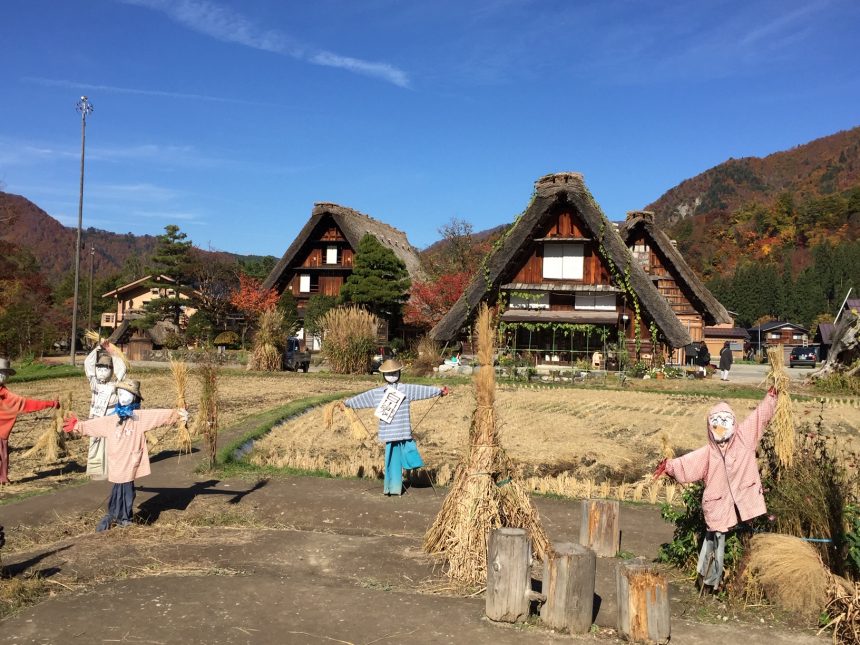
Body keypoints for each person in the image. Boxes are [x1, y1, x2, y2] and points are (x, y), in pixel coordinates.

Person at [654, 387, 778, 593]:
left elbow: (759, 417)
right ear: (710, 425)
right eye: (716, 422)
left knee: (748, 537)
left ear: (734, 422)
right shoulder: (708, 453)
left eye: (725, 421)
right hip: (718, 503)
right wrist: (669, 466)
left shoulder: (744, 438)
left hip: (744, 499)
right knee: (715, 543)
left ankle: (736, 581)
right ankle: (709, 582)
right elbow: (687, 464)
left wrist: (772, 397)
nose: (720, 426)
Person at [63, 380, 188, 531]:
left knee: (127, 490)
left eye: (127, 394)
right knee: (118, 489)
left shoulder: (139, 417)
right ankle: (116, 515)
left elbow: (158, 416)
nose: (123, 397)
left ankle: (124, 518)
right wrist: (78, 426)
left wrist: (177, 414)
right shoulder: (112, 419)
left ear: (134, 397)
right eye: (120, 394)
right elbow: (96, 425)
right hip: (116, 462)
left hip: (130, 461)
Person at [344, 360, 447, 496]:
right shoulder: (379, 393)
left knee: (410, 455)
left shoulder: (406, 389)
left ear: (399, 373)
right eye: (389, 373)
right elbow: (364, 398)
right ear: (384, 375)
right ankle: (392, 488)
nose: (392, 375)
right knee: (391, 461)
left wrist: (438, 391)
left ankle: (404, 477)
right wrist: (348, 403)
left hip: (403, 432)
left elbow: (422, 390)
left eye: (394, 373)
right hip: (390, 433)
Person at [0, 357, 59, 484]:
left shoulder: (7, 396)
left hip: (1, 433)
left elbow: (27, 404)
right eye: (1, 372)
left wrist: (50, 403)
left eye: (5, 373)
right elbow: (26, 404)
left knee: (3, 456)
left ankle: (2, 478)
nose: (2, 376)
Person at [83, 341, 127, 479]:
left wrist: (113, 352)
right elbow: (88, 366)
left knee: (111, 443)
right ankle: (96, 470)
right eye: (100, 369)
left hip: (111, 417)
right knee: (95, 442)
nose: (102, 372)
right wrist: (96, 350)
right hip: (96, 417)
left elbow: (122, 371)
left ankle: (111, 469)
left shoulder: (115, 385)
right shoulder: (94, 383)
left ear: (111, 370)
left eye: (106, 369)